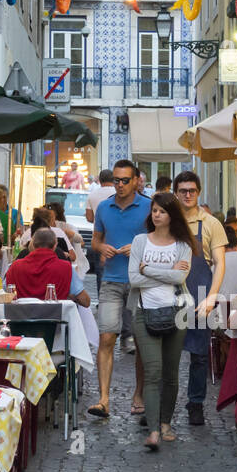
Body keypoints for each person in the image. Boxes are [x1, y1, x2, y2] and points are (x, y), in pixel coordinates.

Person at [128, 192, 195, 451]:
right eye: (154, 210)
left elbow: (180, 279)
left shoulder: (183, 246)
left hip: (178, 311)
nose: (156, 215)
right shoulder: (140, 241)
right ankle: (154, 429)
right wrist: (166, 274)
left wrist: (148, 270)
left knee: (171, 372)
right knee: (153, 370)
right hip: (144, 311)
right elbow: (134, 279)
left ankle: (166, 422)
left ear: (172, 216)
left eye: (162, 211)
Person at [89, 158, 150, 418]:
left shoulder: (149, 207)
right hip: (112, 280)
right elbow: (95, 240)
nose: (121, 185)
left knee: (140, 342)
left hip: (141, 283)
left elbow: (162, 241)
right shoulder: (104, 207)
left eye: (126, 180)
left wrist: (139, 247)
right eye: (117, 180)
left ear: (136, 181)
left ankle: (139, 394)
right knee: (106, 338)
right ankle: (104, 399)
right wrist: (101, 248)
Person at [172, 170, 228, 426]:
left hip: (200, 292)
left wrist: (212, 296)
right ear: (176, 193)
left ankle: (195, 404)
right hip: (169, 294)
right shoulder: (166, 220)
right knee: (165, 354)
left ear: (198, 192)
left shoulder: (211, 223)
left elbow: (219, 263)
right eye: (183, 190)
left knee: (199, 355)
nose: (187, 194)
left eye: (191, 190)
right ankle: (162, 409)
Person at [7, 228, 91, 305]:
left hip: (20, 318)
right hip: (55, 319)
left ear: (32, 244)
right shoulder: (66, 268)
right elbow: (85, 301)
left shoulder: (15, 266)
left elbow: (5, 293)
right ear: (55, 245)